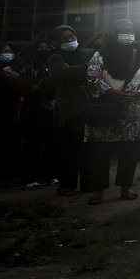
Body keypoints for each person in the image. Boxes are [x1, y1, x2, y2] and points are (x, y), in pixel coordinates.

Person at [85, 18, 140, 205]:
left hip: (132, 112)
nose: (129, 34)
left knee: (130, 151)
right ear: (113, 33)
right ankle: (97, 190)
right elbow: (92, 76)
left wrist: (139, 92)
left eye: (131, 31)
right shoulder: (101, 54)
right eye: (124, 30)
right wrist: (112, 93)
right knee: (100, 152)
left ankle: (125, 187)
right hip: (106, 109)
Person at [48, 25, 93, 196]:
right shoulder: (55, 58)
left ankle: (88, 183)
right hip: (70, 110)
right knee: (69, 150)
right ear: (58, 42)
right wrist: (86, 68)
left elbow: (97, 71)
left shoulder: (85, 53)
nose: (69, 40)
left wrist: (75, 70)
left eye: (71, 36)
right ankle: (67, 184)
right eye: (64, 38)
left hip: (88, 107)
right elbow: (61, 74)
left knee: (87, 149)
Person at [18, 39, 57, 189]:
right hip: (33, 112)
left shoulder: (55, 68)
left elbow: (57, 86)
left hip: (51, 111)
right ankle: (29, 178)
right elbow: (25, 88)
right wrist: (45, 87)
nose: (44, 49)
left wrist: (39, 87)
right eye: (40, 47)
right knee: (31, 144)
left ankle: (51, 175)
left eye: (47, 47)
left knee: (52, 145)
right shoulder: (28, 69)